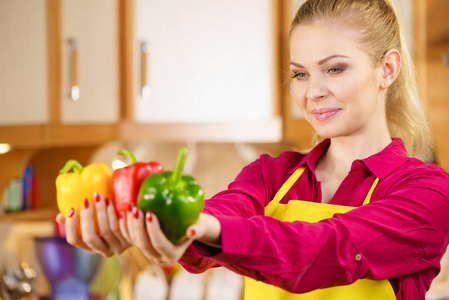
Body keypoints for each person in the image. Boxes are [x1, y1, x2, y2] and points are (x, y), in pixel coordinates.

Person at [56, 0, 449, 299]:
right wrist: (150, 226)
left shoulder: (428, 192)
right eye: (300, 74)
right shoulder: (272, 174)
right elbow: (218, 215)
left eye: (335, 69)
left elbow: (327, 249)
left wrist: (200, 228)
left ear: (388, 69)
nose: (312, 92)